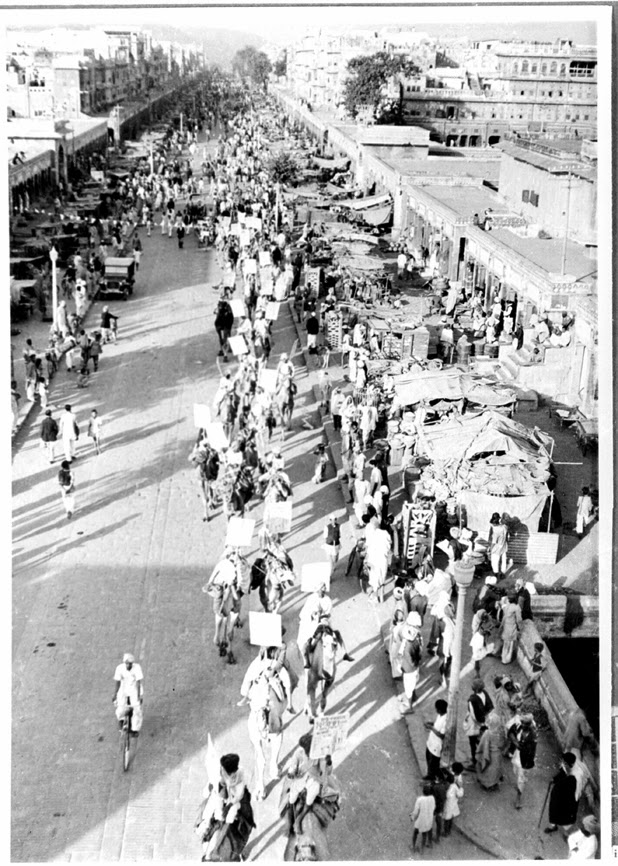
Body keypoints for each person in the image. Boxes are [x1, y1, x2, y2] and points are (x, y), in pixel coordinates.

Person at [196, 753, 255, 860]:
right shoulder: (223, 776)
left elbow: (238, 798)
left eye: (223, 771)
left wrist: (229, 809)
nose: (221, 772)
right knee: (218, 830)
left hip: (240, 810)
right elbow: (219, 793)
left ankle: (235, 853)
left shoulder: (240, 779)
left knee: (238, 835)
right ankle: (209, 857)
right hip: (226, 808)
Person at [506, 713, 537, 809]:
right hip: (517, 754)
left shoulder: (533, 735)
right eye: (523, 723)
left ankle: (518, 797)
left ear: (530, 724)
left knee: (521, 778)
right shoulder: (518, 725)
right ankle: (519, 785)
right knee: (515, 771)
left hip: (525, 759)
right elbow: (510, 733)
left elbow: (532, 751)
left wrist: (527, 764)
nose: (523, 726)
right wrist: (516, 743)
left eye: (526, 724)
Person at [545, 753, 578, 835]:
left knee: (563, 816)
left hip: (563, 800)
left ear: (566, 763)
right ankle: (553, 826)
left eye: (563, 761)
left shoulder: (573, 778)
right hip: (556, 797)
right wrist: (554, 779)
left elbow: (571, 796)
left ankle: (566, 832)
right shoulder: (564, 770)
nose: (561, 762)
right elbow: (560, 775)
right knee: (553, 812)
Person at [464, 678, 494, 768]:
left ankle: (475, 761)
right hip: (486, 722)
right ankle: (486, 759)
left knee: (473, 743)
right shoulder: (485, 693)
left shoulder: (472, 700)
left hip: (476, 725)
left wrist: (479, 724)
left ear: (474, 689)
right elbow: (491, 707)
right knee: (485, 742)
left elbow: (473, 716)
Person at [113, 652, 143, 734]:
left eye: (130, 664)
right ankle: (121, 720)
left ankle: (134, 729)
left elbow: (138, 683)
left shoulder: (137, 668)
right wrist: (115, 694)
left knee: (137, 709)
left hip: (134, 689)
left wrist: (139, 695)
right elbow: (117, 682)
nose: (128, 666)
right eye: (127, 664)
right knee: (120, 708)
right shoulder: (119, 668)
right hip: (123, 689)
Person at [399, 612, 423, 714]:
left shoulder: (408, 645)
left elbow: (408, 659)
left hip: (409, 668)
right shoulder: (417, 638)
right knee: (413, 683)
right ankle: (413, 696)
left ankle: (409, 707)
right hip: (415, 665)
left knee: (408, 686)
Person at [476, 711, 506, 791]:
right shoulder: (501, 732)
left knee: (487, 769)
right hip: (498, 754)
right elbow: (503, 743)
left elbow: (483, 744)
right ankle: (493, 784)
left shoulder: (487, 733)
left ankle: (487, 784)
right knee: (495, 770)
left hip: (489, 753)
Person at [424, 699, 448, 780]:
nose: (436, 710)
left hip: (436, 745)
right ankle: (429, 774)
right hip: (431, 741)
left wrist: (431, 728)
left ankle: (433, 777)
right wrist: (431, 723)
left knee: (433, 763)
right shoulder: (440, 715)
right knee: (428, 758)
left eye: (437, 709)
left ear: (440, 710)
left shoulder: (445, 720)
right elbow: (436, 724)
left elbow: (441, 734)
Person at [410, 783, 435, 851]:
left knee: (415, 832)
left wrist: (412, 817)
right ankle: (422, 849)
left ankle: (413, 846)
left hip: (421, 819)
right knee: (424, 834)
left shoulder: (419, 799)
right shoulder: (432, 798)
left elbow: (416, 811)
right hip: (428, 819)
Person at [499, 594, 522, 664]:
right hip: (512, 626)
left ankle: (503, 658)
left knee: (506, 643)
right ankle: (507, 659)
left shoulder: (507, 605)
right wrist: (520, 627)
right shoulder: (516, 607)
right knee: (511, 643)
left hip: (506, 625)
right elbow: (519, 619)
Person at [488, 512, 509, 578]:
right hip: (504, 546)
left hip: (496, 548)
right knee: (503, 560)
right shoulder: (505, 527)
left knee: (495, 560)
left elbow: (493, 542)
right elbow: (508, 537)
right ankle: (503, 573)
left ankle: (496, 573)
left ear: (494, 523)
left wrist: (490, 549)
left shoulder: (495, 530)